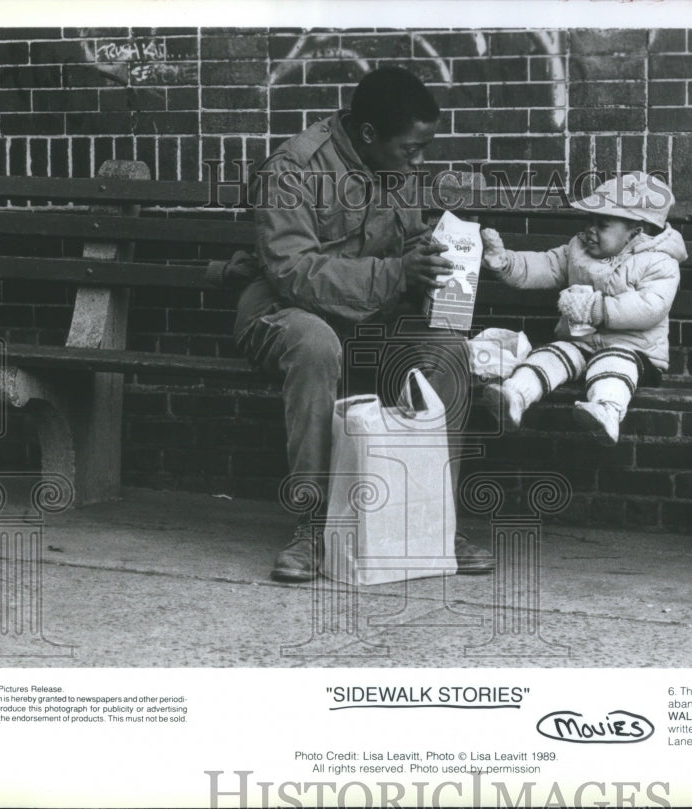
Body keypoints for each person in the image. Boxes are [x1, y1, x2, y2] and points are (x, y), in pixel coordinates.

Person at [207, 66, 494, 582]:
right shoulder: (292, 168)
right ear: (368, 135)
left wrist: (436, 261)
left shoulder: (397, 166)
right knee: (316, 346)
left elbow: (402, 247)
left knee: (449, 350)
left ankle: (438, 523)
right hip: (287, 315)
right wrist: (395, 273)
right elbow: (291, 272)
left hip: (372, 317)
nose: (420, 161)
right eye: (411, 149)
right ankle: (311, 526)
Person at [479, 171, 686, 444]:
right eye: (590, 221)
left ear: (635, 233)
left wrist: (597, 309)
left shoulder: (659, 262)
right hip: (581, 344)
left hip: (636, 352)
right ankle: (515, 395)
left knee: (614, 363)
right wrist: (506, 263)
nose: (590, 230)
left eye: (602, 224)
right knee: (552, 353)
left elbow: (651, 307)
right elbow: (545, 265)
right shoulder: (578, 250)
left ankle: (606, 411)